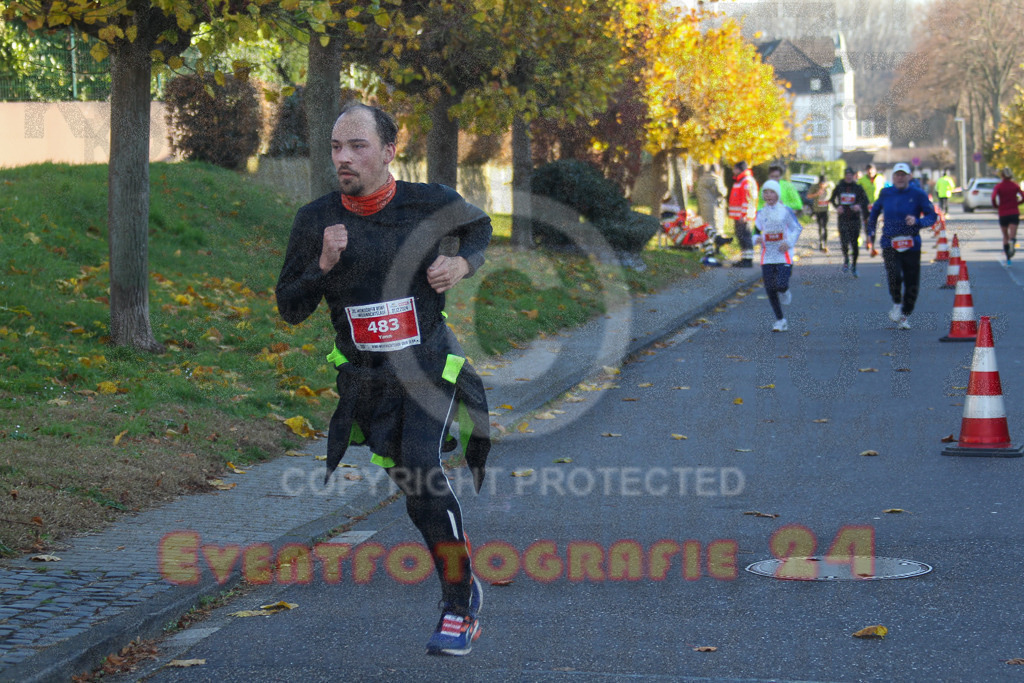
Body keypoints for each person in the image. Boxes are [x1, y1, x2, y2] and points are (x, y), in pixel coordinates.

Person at [275, 103, 492, 656]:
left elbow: (479, 227)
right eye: (335, 147)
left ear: (390, 150)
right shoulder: (315, 221)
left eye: (357, 146)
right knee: (415, 491)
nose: (343, 158)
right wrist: (321, 266)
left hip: (429, 365)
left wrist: (463, 264)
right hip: (368, 382)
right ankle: (460, 577)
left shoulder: (430, 203)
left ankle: (458, 602)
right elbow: (289, 307)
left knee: (422, 465)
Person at [866, 162, 938, 329]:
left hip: (911, 243)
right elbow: (874, 212)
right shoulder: (886, 193)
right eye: (897, 175)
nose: (899, 178)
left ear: (909, 177)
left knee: (912, 281)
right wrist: (870, 233)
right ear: (893, 177)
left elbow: (932, 216)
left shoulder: (918, 194)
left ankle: (905, 315)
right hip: (890, 241)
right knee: (894, 274)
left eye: (903, 175)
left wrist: (918, 221)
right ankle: (897, 303)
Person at [753, 180, 802, 332]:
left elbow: (797, 228)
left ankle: (785, 291)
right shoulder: (761, 213)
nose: (768, 195)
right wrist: (757, 239)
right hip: (767, 256)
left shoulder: (785, 211)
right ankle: (780, 320)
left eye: (771, 192)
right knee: (769, 288)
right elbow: (754, 232)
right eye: (765, 192)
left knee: (780, 285)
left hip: (783, 255)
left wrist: (788, 242)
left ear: (777, 193)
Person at [829, 168, 870, 276]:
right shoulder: (839, 187)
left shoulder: (858, 188)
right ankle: (846, 259)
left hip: (854, 219)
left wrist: (859, 206)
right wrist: (837, 207)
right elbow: (832, 199)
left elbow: (865, 200)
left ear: (853, 176)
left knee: (854, 243)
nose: (849, 177)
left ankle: (854, 266)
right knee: (844, 242)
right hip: (843, 219)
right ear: (844, 176)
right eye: (847, 175)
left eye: (850, 175)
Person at [991, 167, 1024, 265]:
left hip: (1003, 212)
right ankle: (1012, 243)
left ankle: (1008, 258)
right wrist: (1018, 203)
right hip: (1014, 212)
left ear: (1002, 175)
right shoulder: (1015, 186)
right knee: (1012, 234)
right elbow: (1023, 196)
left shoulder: (999, 186)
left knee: (1005, 235)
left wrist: (996, 206)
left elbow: (993, 198)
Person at [728, 161, 758, 267]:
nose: (733, 171)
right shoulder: (740, 180)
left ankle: (748, 260)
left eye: (735, 168)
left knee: (745, 237)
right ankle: (744, 258)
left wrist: (744, 214)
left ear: (739, 169)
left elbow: (747, 199)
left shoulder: (746, 181)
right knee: (741, 236)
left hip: (743, 216)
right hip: (739, 215)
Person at [696, 163, 728, 237]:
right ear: (716, 170)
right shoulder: (715, 179)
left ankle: (707, 240)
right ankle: (717, 241)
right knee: (715, 224)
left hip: (703, 205)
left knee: (707, 224)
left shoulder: (702, 179)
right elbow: (720, 192)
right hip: (714, 206)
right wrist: (725, 190)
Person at [806, 173, 834, 253]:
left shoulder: (829, 186)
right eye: (821, 183)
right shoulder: (815, 187)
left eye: (824, 183)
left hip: (826, 210)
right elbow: (808, 196)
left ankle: (825, 243)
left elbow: (834, 189)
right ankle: (821, 243)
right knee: (820, 226)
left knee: (825, 226)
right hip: (818, 209)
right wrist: (816, 194)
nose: (822, 185)